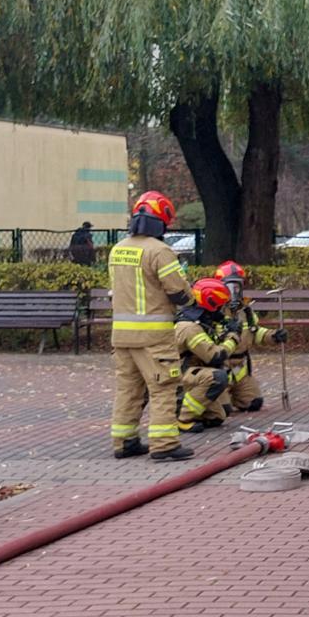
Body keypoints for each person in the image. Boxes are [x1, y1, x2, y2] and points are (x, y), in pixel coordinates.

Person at [107, 191, 194, 462]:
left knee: (128, 389)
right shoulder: (160, 251)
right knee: (163, 387)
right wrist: (190, 298)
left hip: (121, 336)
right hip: (153, 336)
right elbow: (179, 292)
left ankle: (124, 441)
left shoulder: (118, 249)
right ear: (162, 222)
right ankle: (164, 444)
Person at [214, 260, 282, 416]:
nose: (234, 291)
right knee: (222, 410)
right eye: (229, 287)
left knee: (254, 403)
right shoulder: (214, 311)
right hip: (220, 368)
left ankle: (235, 396)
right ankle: (223, 397)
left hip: (239, 369)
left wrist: (273, 336)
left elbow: (255, 332)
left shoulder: (246, 311)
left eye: (237, 287)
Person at [174, 277, 235, 433]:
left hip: (187, 374)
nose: (222, 310)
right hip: (176, 378)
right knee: (217, 377)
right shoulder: (190, 328)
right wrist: (234, 336)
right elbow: (215, 356)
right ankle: (182, 417)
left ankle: (183, 405)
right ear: (210, 305)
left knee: (217, 417)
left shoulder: (199, 322)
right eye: (220, 306)